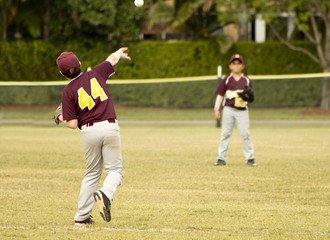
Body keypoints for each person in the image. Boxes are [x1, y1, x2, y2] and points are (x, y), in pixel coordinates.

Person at [55, 48, 131, 225]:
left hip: (89, 131)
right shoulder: (96, 73)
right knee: (115, 171)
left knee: (92, 173)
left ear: (61, 73)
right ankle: (105, 193)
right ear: (80, 64)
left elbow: (72, 124)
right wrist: (118, 53)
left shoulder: (68, 91)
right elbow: (111, 59)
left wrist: (59, 118)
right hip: (109, 126)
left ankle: (81, 217)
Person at [213, 54, 256, 167]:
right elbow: (220, 95)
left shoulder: (246, 80)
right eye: (234, 63)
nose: (236, 66)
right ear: (230, 66)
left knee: (245, 134)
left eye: (239, 64)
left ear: (243, 66)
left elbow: (251, 96)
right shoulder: (227, 79)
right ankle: (221, 158)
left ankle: (250, 158)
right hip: (228, 109)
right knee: (225, 134)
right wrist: (217, 109)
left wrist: (248, 97)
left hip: (242, 111)